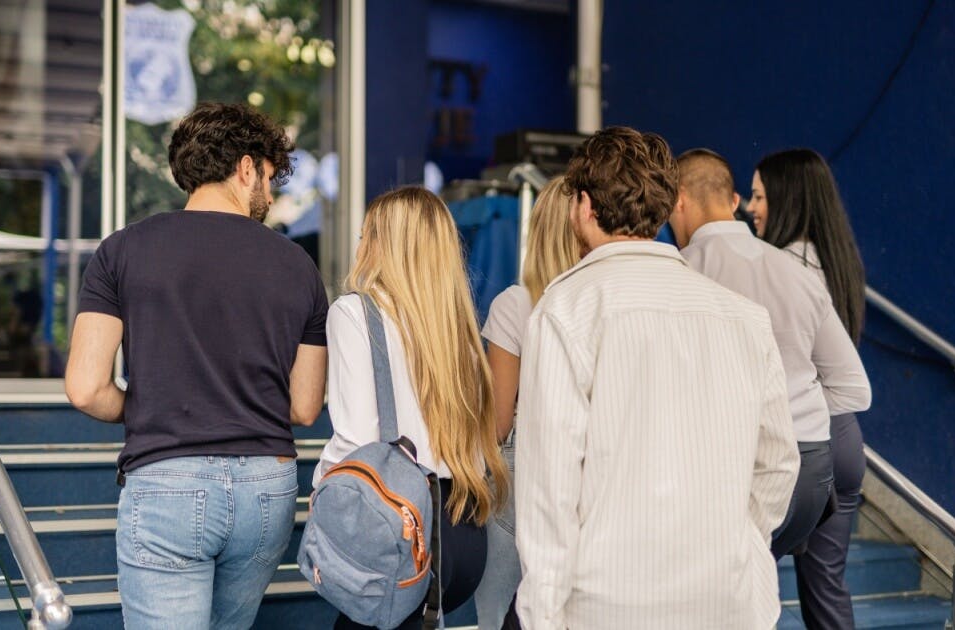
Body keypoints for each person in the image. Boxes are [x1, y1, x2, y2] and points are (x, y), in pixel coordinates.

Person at [514, 127, 800, 629]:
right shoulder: (744, 316)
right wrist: (734, 542)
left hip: (609, 605)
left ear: (582, 206)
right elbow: (777, 463)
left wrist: (543, 617)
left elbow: (548, 494)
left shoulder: (567, 310)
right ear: (666, 208)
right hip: (727, 601)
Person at [65, 102, 329, 630]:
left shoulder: (123, 250)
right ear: (246, 168)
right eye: (270, 179)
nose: (271, 198)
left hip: (167, 483)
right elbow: (304, 407)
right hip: (267, 487)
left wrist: (146, 405)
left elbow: (87, 388)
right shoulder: (298, 265)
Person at [315, 186, 508, 630]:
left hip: (399, 533)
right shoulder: (454, 321)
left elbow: (357, 439)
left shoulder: (354, 312)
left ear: (382, 246)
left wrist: (323, 487)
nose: (358, 246)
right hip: (461, 533)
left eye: (365, 235)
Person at [672, 149, 871, 560]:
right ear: (732, 202)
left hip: (735, 467)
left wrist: (758, 415)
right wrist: (791, 404)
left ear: (678, 200)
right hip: (812, 472)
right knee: (757, 587)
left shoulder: (681, 272)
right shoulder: (798, 273)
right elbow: (854, 390)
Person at [749, 147, 869, 630]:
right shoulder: (837, 260)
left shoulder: (778, 269)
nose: (749, 208)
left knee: (751, 584)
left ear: (786, 198)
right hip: (844, 441)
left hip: (799, 443)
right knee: (827, 592)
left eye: (759, 196)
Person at [472, 176, 581, 630]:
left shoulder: (515, 304)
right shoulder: (601, 299)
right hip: (585, 465)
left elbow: (497, 419)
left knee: (498, 612)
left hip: (520, 467)